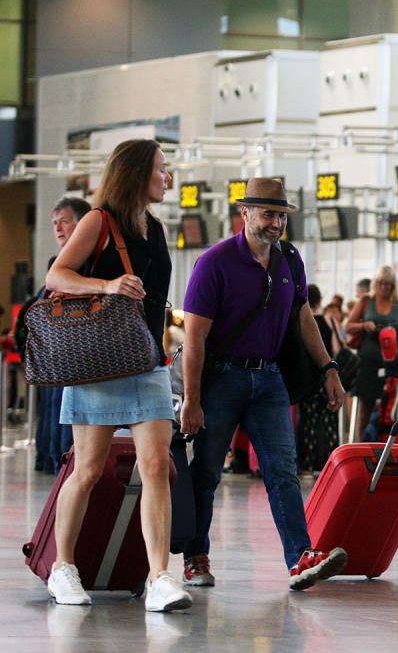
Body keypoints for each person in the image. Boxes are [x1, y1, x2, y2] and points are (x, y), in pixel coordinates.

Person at [180, 177, 348, 592]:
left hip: (269, 379)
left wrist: (328, 367)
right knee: (205, 473)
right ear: (246, 214)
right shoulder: (214, 263)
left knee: (283, 471)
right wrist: (192, 399)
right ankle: (195, 557)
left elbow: (304, 317)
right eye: (268, 214)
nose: (275, 223)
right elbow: (195, 338)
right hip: (221, 378)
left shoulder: (289, 258)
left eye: (281, 215)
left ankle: (300, 557)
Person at [44, 139, 192, 611]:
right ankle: (62, 567)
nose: (167, 178)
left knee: (156, 469)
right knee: (87, 470)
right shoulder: (97, 221)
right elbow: (57, 276)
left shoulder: (158, 228)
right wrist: (107, 284)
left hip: (147, 363)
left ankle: (160, 577)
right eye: (160, 170)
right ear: (135, 174)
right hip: (98, 363)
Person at [34, 197, 90, 474]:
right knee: (56, 415)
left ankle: (59, 463)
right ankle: (53, 462)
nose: (58, 227)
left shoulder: (89, 265)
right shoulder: (58, 266)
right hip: (57, 357)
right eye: (54, 222)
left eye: (64, 221)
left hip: (80, 359)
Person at [345, 266, 398, 442]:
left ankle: (389, 444)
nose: (383, 288)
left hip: (392, 361)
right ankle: (361, 444)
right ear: (375, 283)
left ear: (393, 286)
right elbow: (348, 326)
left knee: (394, 406)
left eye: (387, 284)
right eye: (380, 283)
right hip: (369, 360)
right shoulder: (366, 300)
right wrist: (364, 326)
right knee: (366, 404)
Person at [296, 284, 340, 474]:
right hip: (326, 375)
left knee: (307, 422)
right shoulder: (329, 321)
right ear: (320, 300)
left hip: (306, 377)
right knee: (329, 421)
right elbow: (336, 349)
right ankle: (330, 464)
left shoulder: (300, 321)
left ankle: (306, 465)